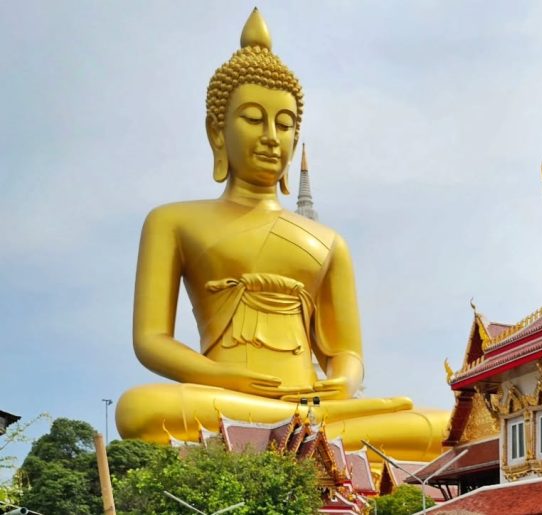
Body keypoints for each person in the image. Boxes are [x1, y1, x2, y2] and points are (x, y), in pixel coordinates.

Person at [115, 8, 447, 462]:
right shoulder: (172, 221)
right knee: (140, 409)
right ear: (217, 132)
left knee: (443, 427)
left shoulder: (328, 241)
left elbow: (347, 353)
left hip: (311, 404)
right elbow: (151, 340)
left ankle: (293, 434)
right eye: (253, 119)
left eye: (286, 124)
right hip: (225, 399)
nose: (272, 137)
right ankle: (296, 436)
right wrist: (225, 379)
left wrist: (341, 384)